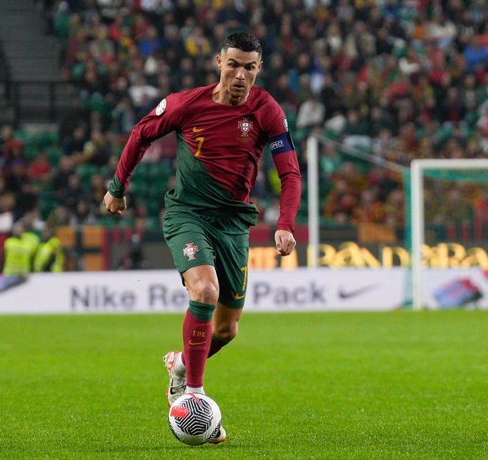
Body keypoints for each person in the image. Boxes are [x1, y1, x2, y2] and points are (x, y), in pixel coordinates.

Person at [102, 32, 301, 443]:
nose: (241, 74)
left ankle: (181, 364)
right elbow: (141, 133)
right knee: (205, 291)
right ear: (218, 62)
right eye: (234, 64)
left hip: (233, 225)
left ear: (258, 69)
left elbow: (290, 172)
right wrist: (117, 188)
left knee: (226, 331)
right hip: (187, 214)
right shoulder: (186, 104)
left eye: (249, 66)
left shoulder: (267, 111)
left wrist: (285, 223)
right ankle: (192, 394)